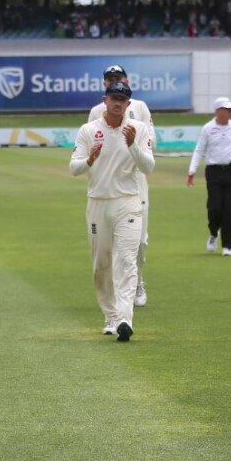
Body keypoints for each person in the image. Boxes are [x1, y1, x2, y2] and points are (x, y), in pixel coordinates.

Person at [69, 82, 154, 341]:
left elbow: (149, 166)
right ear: (105, 100)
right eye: (114, 98)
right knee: (102, 264)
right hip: (98, 203)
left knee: (127, 261)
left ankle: (125, 318)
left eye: (123, 99)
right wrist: (89, 161)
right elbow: (74, 168)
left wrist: (133, 146)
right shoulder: (89, 130)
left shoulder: (138, 130)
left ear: (129, 104)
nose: (118, 103)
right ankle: (110, 315)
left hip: (128, 201)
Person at [88, 64, 155, 307]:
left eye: (118, 77)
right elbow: (91, 146)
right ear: (104, 83)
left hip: (136, 180)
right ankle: (116, 292)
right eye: (110, 78)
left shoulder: (140, 108)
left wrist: (133, 148)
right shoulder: (96, 111)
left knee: (140, 241)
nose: (114, 80)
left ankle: (137, 283)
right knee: (108, 244)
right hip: (108, 184)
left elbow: (151, 144)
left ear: (127, 80)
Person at [187, 97, 231, 256]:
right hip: (214, 172)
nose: (230, 112)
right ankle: (213, 233)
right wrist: (192, 170)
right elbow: (199, 150)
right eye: (227, 109)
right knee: (215, 207)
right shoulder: (208, 128)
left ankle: (228, 246)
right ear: (218, 111)